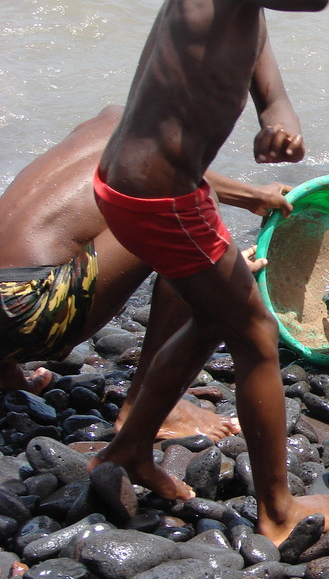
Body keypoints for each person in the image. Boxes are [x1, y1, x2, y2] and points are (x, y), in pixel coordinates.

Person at [89, 0, 329, 545]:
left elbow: (254, 37)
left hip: (145, 189)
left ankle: (128, 451)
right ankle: (278, 512)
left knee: (214, 316)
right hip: (165, 197)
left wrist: (275, 108)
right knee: (255, 334)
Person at [0, 105, 293, 441]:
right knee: (182, 216)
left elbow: (161, 167)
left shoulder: (111, 120)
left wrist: (253, 196)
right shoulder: (158, 156)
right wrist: (218, 265)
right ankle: (153, 408)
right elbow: (180, 184)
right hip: (29, 314)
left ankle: (5, 373)